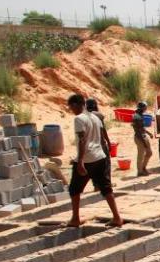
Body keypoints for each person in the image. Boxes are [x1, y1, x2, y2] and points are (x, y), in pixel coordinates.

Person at [65, 94, 123, 227]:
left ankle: (75, 218)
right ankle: (117, 217)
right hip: (100, 156)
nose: (71, 110)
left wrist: (80, 162)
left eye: (71, 107)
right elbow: (102, 136)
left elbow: (82, 140)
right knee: (106, 188)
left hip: (88, 159)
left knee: (74, 190)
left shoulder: (79, 119)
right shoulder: (95, 118)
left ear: (75, 105)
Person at [85, 98, 113, 184]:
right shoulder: (98, 115)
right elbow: (103, 130)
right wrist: (108, 142)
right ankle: (107, 182)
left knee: (94, 165)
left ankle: (96, 185)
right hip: (100, 144)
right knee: (105, 164)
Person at [131, 101, 154, 176]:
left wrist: (148, 133)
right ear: (143, 108)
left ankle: (143, 168)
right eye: (145, 107)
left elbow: (141, 128)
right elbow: (139, 131)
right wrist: (144, 143)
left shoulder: (139, 115)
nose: (146, 109)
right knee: (141, 155)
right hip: (140, 137)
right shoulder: (137, 117)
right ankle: (140, 171)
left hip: (142, 136)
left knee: (149, 153)